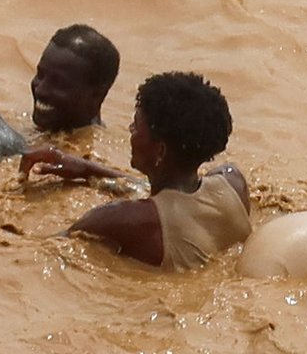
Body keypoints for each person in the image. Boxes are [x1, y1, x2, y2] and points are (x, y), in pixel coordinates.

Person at [19, 71, 251, 270]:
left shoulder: (128, 219)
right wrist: (87, 169)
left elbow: (41, 249)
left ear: (159, 151)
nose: (131, 130)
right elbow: (172, 199)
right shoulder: (232, 182)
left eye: (136, 124)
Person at [30, 24, 120, 133]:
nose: (40, 90)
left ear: (97, 96)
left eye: (59, 84)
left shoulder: (77, 148)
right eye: (40, 75)